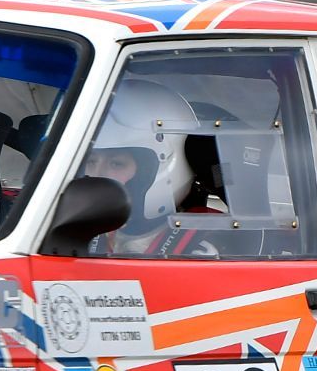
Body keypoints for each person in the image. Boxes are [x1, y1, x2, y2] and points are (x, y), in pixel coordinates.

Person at [82, 80, 219, 257]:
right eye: (91, 161)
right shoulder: (75, 235)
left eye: (116, 164)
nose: (96, 175)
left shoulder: (213, 240)